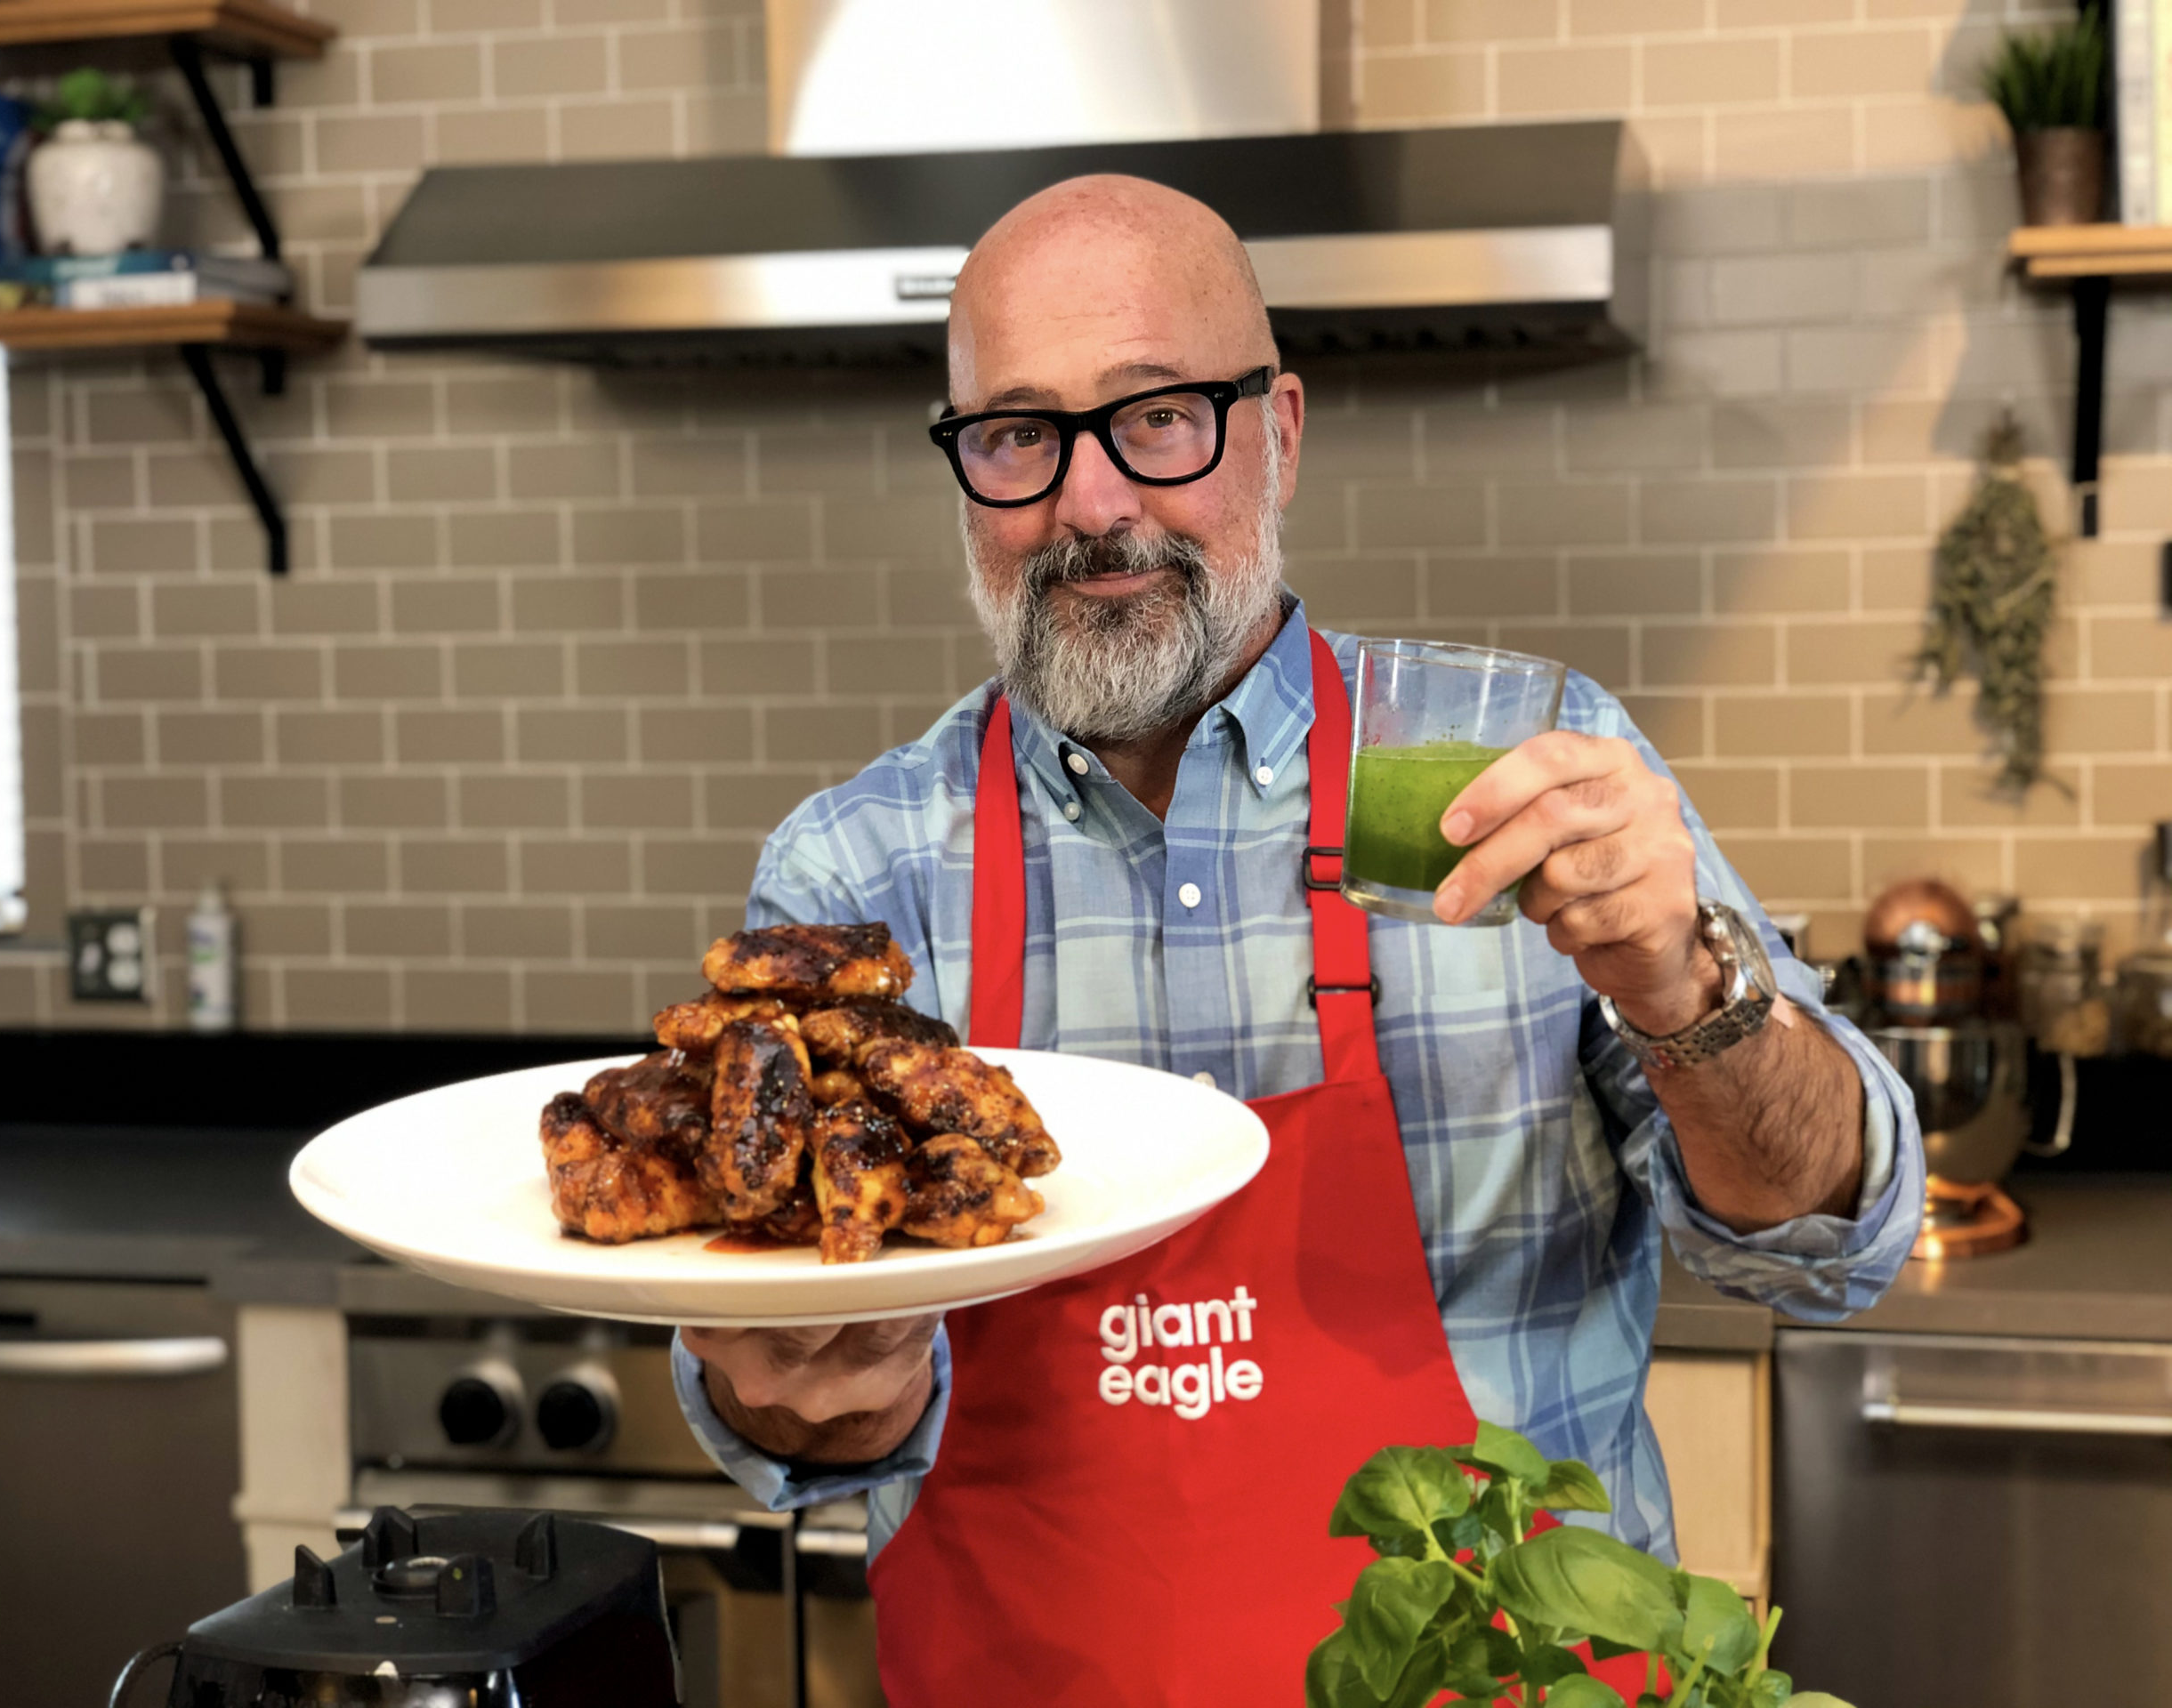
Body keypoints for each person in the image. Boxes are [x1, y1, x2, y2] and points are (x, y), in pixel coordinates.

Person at [671, 174, 1923, 1704]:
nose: (1090, 502)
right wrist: (811, 1383)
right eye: (1017, 435)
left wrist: (1694, 991)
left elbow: (1827, 1248)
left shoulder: (1517, 767)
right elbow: (791, 1422)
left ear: (1281, 430)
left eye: (1159, 415)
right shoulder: (858, 882)